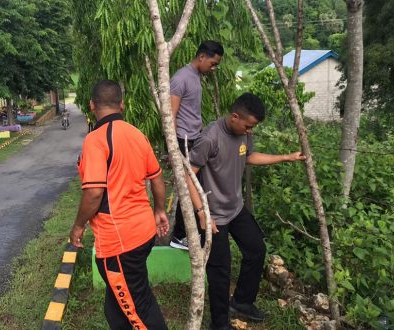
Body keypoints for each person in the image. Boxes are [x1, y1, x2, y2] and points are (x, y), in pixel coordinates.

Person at [184, 93, 306, 329]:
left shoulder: (244, 134)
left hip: (236, 207)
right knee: (220, 270)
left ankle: (242, 302)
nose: (250, 131)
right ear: (234, 116)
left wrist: (285, 157)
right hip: (213, 214)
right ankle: (219, 323)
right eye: (248, 125)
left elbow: (249, 156)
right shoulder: (210, 138)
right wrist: (201, 212)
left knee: (256, 249)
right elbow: (189, 174)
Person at [70, 80, 170, 330]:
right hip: (143, 232)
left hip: (119, 243)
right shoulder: (137, 134)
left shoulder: (95, 140)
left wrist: (78, 225)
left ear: (92, 105)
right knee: (115, 309)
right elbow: (157, 178)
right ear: (122, 104)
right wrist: (159, 210)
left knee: (138, 309)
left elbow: (94, 193)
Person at [170, 40, 224, 250]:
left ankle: (186, 232)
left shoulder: (195, 77)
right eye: (212, 63)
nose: (213, 68)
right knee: (189, 187)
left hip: (194, 139)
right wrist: (174, 147)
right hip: (183, 141)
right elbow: (171, 115)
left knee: (194, 187)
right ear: (202, 57)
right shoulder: (180, 78)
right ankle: (179, 235)